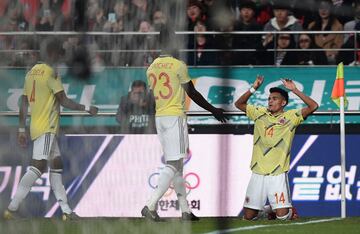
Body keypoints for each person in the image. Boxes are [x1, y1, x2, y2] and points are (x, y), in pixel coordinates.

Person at [3, 38, 98, 220]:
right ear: (53, 54)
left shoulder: (31, 73)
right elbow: (63, 100)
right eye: (60, 54)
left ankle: (66, 211)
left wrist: (22, 129)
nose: (60, 59)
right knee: (38, 167)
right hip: (47, 127)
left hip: (37, 126)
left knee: (56, 165)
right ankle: (12, 207)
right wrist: (87, 108)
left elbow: (23, 101)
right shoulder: (51, 74)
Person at [141, 25, 228, 222]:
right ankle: (150, 204)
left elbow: (151, 96)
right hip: (174, 116)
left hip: (160, 117)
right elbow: (193, 93)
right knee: (173, 164)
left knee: (178, 165)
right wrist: (213, 110)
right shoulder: (178, 65)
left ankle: (185, 211)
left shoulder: (152, 67)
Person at [234, 76, 318, 221]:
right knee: (248, 217)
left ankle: (288, 211)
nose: (270, 101)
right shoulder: (259, 113)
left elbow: (313, 106)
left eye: (274, 98)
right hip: (258, 170)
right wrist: (254, 88)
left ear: (283, 102)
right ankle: (268, 210)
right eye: (269, 98)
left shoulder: (291, 116)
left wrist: (295, 90)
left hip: (277, 172)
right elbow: (239, 103)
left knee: (283, 217)